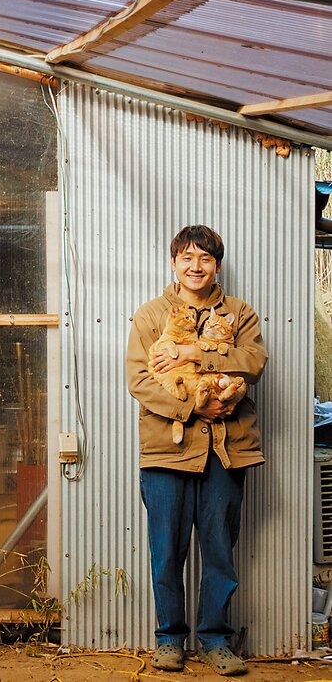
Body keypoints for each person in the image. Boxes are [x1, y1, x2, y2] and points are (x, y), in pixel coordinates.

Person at [126, 225, 268, 677]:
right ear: (174, 263)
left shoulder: (240, 314)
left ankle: (214, 639)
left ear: (217, 266)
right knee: (166, 550)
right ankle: (170, 638)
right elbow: (141, 380)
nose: (195, 266)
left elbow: (252, 363)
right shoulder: (151, 315)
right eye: (187, 257)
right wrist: (193, 407)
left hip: (226, 452)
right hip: (167, 453)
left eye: (205, 259)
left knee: (219, 549)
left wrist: (193, 350)